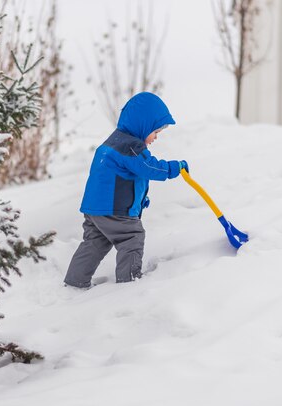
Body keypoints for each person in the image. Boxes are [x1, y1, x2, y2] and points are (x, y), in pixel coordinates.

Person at [64, 92, 189, 289]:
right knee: (132, 237)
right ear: (143, 124)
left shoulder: (114, 142)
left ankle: (74, 282)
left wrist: (138, 201)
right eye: (155, 131)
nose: (156, 137)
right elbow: (149, 168)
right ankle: (129, 284)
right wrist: (176, 167)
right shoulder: (130, 147)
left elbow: (122, 178)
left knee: (95, 242)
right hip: (114, 209)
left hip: (95, 208)